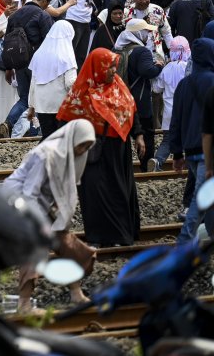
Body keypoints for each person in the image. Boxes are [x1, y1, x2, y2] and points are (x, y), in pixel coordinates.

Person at [3, 119, 97, 314]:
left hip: (42, 201)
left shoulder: (72, 154)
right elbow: (29, 193)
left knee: (66, 243)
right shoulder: (46, 155)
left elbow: (66, 187)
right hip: (20, 199)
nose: (83, 150)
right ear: (73, 139)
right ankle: (24, 304)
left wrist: (57, 215)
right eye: (82, 145)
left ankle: (76, 293)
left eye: (88, 146)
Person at [57, 48, 143, 248]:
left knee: (120, 191)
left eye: (114, 66)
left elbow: (131, 110)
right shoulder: (82, 91)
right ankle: (99, 238)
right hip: (92, 153)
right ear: (97, 68)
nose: (114, 71)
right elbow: (66, 122)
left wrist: (138, 134)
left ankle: (122, 236)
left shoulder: (118, 86)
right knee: (96, 195)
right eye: (110, 67)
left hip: (118, 151)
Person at [2, 0, 76, 137]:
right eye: (47, 4)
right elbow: (51, 42)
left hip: (18, 63)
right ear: (45, 1)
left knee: (24, 96)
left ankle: (25, 128)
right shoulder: (43, 15)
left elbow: (7, 43)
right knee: (30, 99)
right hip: (37, 63)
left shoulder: (14, 16)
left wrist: (8, 68)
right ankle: (11, 122)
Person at [171, 38, 211, 241]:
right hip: (208, 151)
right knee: (201, 200)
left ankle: (201, 244)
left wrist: (177, 153)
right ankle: (184, 243)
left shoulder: (183, 85)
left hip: (190, 150)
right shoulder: (212, 81)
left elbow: (175, 122)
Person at [115, 18, 164, 172]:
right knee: (146, 137)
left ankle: (124, 171)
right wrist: (159, 66)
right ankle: (147, 167)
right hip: (140, 101)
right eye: (145, 31)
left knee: (123, 138)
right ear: (138, 33)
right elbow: (147, 71)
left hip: (121, 99)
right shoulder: (141, 51)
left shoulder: (118, 49)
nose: (148, 34)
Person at [26, 20, 78, 139]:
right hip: (61, 105)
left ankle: (39, 157)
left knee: (48, 137)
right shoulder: (67, 54)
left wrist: (31, 107)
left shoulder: (39, 54)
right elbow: (70, 83)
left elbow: (33, 83)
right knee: (60, 139)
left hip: (42, 104)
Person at [157, 36, 191, 169]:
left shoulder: (167, 68)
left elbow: (157, 88)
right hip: (185, 110)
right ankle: (191, 163)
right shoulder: (188, 67)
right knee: (189, 138)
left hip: (168, 111)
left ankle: (157, 161)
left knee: (167, 140)